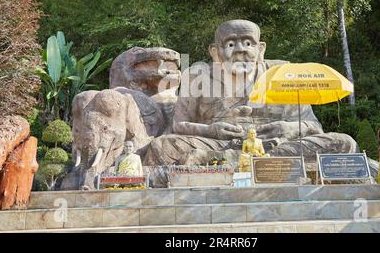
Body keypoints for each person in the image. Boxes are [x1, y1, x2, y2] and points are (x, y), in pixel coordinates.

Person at [143, 20, 356, 184]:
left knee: (343, 142)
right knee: (162, 145)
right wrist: (212, 131)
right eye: (230, 44)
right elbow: (178, 125)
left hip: (275, 145)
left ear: (261, 49)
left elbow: (313, 126)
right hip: (220, 142)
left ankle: (225, 161)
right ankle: (239, 160)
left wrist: (287, 128)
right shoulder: (197, 75)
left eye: (248, 43)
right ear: (215, 51)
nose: (240, 50)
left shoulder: (282, 73)